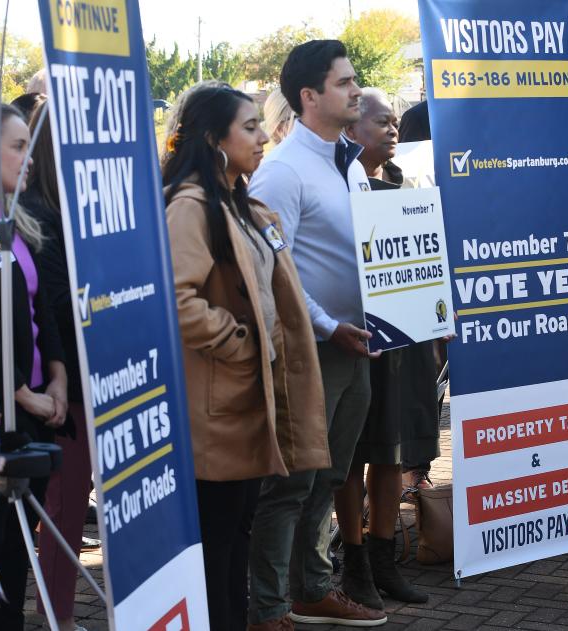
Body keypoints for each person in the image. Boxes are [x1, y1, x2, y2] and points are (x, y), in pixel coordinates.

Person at [163, 84, 329, 630]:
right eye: (250, 127)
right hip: (216, 412)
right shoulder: (191, 207)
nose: (262, 137)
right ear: (214, 139)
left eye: (261, 125)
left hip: (246, 404)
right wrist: (242, 343)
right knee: (217, 548)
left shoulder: (240, 204)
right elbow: (177, 301)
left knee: (235, 536)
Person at [246, 41, 387, 628]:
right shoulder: (281, 172)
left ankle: (310, 589)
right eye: (344, 82)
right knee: (290, 484)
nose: (356, 90)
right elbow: (270, 271)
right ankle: (269, 607)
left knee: (328, 478)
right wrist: (329, 328)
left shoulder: (350, 166)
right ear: (309, 97)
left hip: (357, 346)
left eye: (355, 80)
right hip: (309, 351)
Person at [341, 87, 431, 604]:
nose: (393, 129)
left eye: (396, 122)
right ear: (351, 129)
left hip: (407, 340)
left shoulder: (407, 185)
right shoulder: (339, 187)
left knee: (394, 452)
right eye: (380, 121)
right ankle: (354, 567)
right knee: (353, 457)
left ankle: (383, 561)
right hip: (359, 339)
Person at [0, 103, 68, 630]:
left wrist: (57, 375)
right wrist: (18, 392)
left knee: (17, 554)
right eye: (17, 147)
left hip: (36, 410)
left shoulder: (19, 217)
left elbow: (43, 307)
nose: (29, 158)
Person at [19, 96, 91, 631]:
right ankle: (55, 612)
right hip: (56, 388)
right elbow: (52, 308)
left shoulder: (71, 207)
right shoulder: (39, 215)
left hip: (76, 377)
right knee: (64, 501)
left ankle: (50, 605)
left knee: (66, 497)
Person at [396, 100, 441, 489]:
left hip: (484, 258)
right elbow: (410, 191)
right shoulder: (419, 118)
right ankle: (414, 469)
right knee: (427, 377)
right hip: (431, 262)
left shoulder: (487, 113)